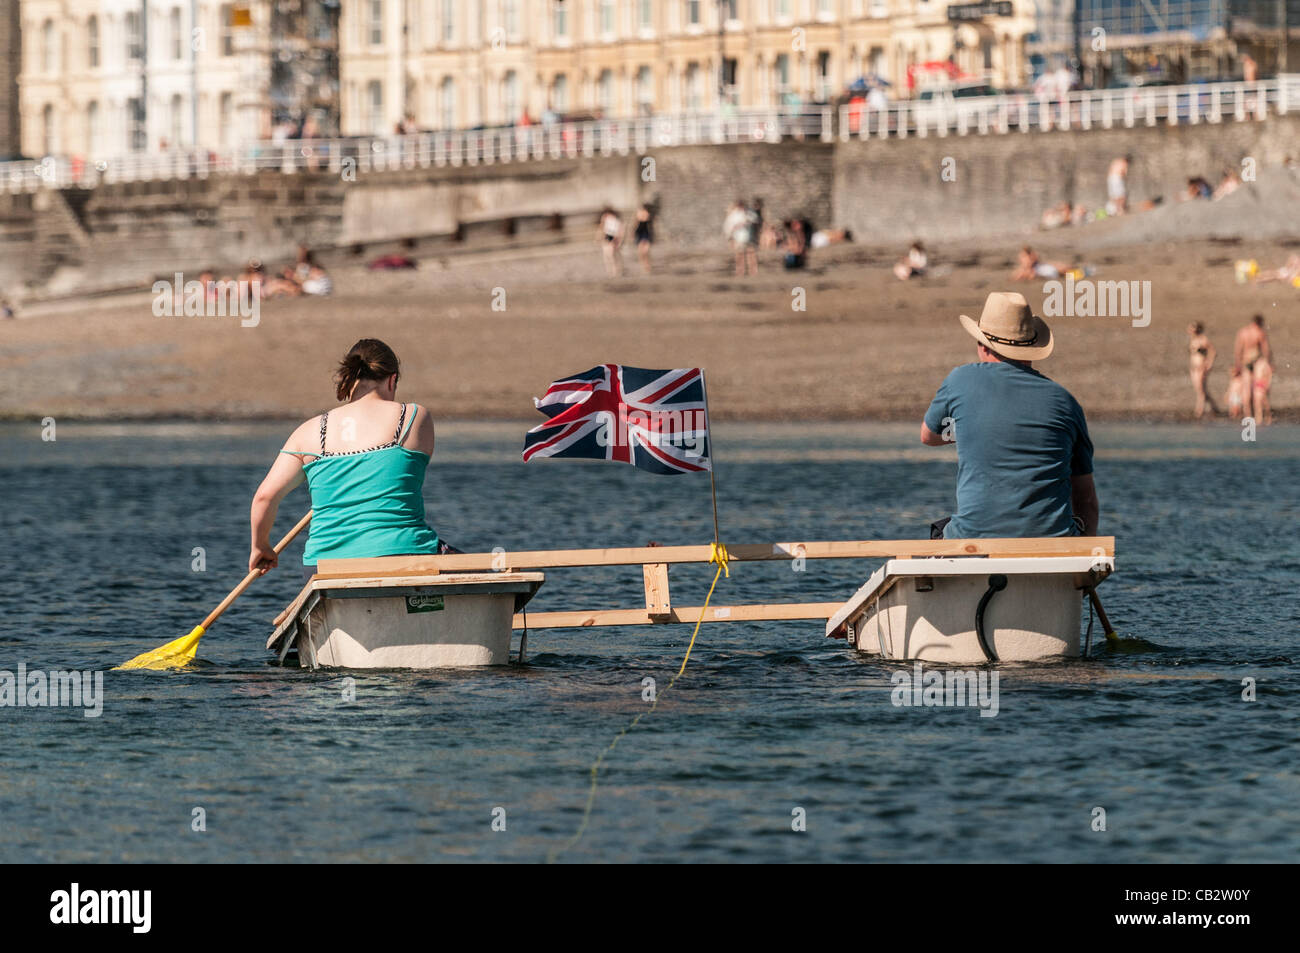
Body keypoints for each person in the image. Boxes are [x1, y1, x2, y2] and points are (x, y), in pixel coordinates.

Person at [248, 339, 444, 578]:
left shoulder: (307, 432)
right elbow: (408, 473)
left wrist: (261, 547)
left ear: (349, 379)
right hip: (405, 553)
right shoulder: (414, 416)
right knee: (479, 571)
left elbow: (264, 498)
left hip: (326, 565)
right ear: (392, 380)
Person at [920, 292, 1098, 539]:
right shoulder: (1065, 402)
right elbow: (1086, 497)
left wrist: (976, 428)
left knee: (942, 532)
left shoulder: (960, 380)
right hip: (1054, 543)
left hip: (973, 538)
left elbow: (928, 436)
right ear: (1032, 349)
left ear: (983, 346)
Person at [1233, 315, 1272, 407]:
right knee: (1258, 387)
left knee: (1246, 388)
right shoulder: (1260, 333)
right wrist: (1268, 363)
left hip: (1246, 361)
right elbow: (1266, 350)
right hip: (1257, 361)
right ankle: (1259, 414)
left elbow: (1238, 350)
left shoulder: (1242, 332)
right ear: (1260, 322)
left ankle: (1248, 415)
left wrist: (1238, 364)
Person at [1187, 322, 1218, 420]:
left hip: (1201, 367)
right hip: (1193, 367)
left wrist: (1209, 363)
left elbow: (1213, 351)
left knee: (1200, 390)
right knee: (1200, 389)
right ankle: (1214, 407)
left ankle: (1199, 411)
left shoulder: (1203, 339)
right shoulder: (1193, 340)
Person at [724, 199, 756, 276]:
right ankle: (740, 270)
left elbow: (754, 219)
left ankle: (753, 270)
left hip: (748, 236)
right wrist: (730, 234)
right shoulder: (734, 214)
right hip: (738, 236)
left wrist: (746, 222)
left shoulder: (748, 212)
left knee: (750, 253)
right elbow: (730, 225)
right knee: (739, 255)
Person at [598, 207, 624, 277]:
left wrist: (619, 239)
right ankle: (613, 272)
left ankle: (615, 272)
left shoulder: (613, 220)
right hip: (609, 236)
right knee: (609, 256)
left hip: (612, 236)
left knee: (611, 256)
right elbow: (602, 229)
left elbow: (618, 230)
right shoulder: (608, 219)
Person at [633, 203, 654, 274]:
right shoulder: (638, 214)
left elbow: (645, 219)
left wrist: (641, 214)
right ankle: (644, 266)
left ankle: (647, 265)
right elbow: (636, 224)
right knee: (640, 252)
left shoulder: (647, 214)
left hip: (646, 234)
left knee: (646, 251)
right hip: (639, 233)